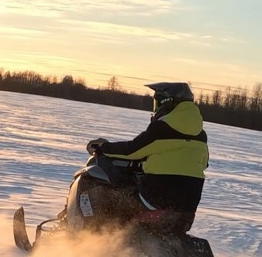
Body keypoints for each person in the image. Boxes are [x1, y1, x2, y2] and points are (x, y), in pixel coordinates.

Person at [86, 81, 208, 232]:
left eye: (157, 103)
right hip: (186, 211)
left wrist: (102, 148)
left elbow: (132, 150)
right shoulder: (201, 135)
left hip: (155, 201)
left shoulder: (162, 128)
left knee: (109, 198)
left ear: (166, 103)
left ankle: (93, 239)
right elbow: (203, 163)